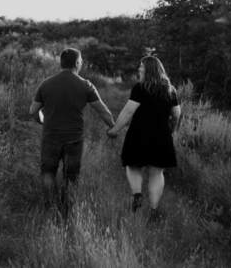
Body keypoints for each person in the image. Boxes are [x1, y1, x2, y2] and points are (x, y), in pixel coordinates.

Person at [29, 48, 115, 213]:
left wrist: (42, 121)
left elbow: (33, 110)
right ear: (76, 63)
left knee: (48, 172)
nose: (81, 63)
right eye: (80, 61)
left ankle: (50, 208)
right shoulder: (86, 85)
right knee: (72, 175)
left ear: (61, 63)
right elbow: (103, 111)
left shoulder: (45, 84)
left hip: (50, 137)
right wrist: (114, 128)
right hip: (74, 139)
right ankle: (68, 209)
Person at [107, 56, 181, 218]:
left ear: (149, 69)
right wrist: (172, 130)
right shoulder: (170, 90)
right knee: (156, 173)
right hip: (162, 136)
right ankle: (154, 210)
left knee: (133, 166)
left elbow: (128, 111)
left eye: (142, 66)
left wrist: (114, 130)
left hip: (139, 134)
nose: (139, 69)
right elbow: (176, 114)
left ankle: (137, 195)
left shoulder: (140, 88)